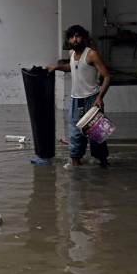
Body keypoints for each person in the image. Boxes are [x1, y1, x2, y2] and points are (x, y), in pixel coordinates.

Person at [46, 25, 111, 167]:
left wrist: (100, 98)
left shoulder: (92, 54)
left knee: (98, 136)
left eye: (77, 36)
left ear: (84, 38)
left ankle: (104, 166)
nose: (74, 40)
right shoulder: (71, 54)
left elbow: (107, 76)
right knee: (75, 135)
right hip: (76, 100)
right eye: (71, 37)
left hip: (93, 99)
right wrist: (56, 67)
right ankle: (77, 169)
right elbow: (72, 67)